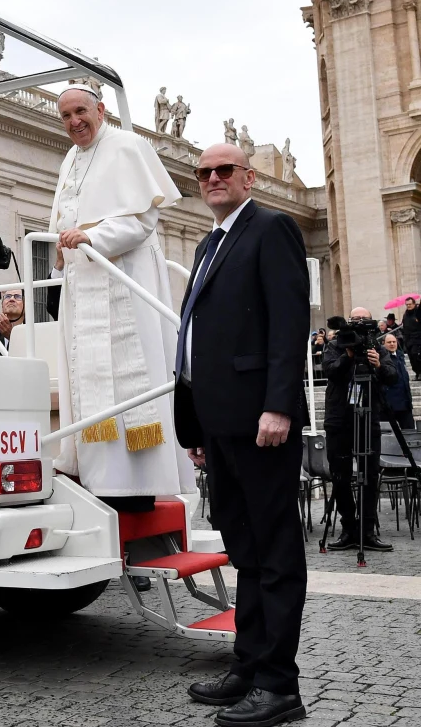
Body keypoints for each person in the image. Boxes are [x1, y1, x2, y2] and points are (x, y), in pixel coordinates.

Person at [174, 144, 309, 726]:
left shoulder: (272, 228)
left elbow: (288, 320)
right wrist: (194, 423)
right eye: (203, 172)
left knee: (275, 554)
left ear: (248, 177)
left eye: (223, 170)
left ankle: (280, 685)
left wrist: (279, 405)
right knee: (247, 553)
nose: (212, 179)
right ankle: (249, 666)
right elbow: (194, 340)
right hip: (220, 425)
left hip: (262, 424)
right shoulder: (209, 243)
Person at [46, 84, 195, 510]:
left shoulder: (128, 145)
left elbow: (143, 219)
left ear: (101, 109)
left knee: (131, 380)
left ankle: (137, 488)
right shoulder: (70, 159)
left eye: (81, 112)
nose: (75, 122)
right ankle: (94, 477)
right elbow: (63, 218)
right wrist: (62, 251)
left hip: (125, 281)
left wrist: (92, 236)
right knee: (87, 381)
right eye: (66, 116)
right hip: (83, 282)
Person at [322, 307, 396, 553]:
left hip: (368, 416)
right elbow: (330, 370)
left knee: (370, 474)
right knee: (340, 474)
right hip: (339, 418)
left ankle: (367, 530)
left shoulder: (377, 346)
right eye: (355, 319)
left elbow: (393, 376)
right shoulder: (336, 345)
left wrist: (378, 365)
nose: (359, 323)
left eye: (363, 319)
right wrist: (349, 355)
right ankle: (348, 529)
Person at [383, 333, 415, 430]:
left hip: (405, 403)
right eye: (389, 342)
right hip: (390, 405)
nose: (392, 344)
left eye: (394, 342)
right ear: (383, 343)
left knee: (410, 432)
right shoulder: (382, 358)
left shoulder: (400, 356)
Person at [403, 297, 421, 380]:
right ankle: (417, 372)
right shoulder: (405, 314)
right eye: (407, 304)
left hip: (418, 339)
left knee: (415, 354)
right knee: (411, 358)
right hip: (408, 339)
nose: (408, 306)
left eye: (410, 304)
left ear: (414, 304)